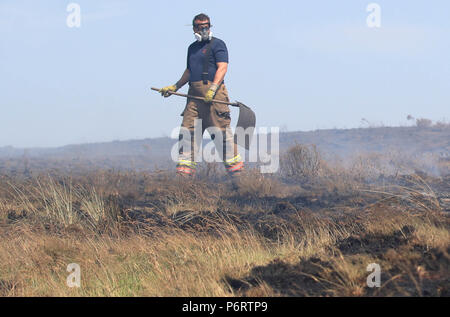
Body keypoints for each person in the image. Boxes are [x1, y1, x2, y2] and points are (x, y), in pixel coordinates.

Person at [159, 13, 244, 177]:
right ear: (194, 28)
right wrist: (175, 87)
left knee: (221, 135)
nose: (204, 29)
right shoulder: (192, 48)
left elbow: (222, 68)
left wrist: (213, 88)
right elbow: (189, 71)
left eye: (207, 25)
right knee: (187, 134)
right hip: (194, 97)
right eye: (200, 26)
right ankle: (183, 178)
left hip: (215, 95)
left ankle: (239, 178)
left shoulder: (218, 44)